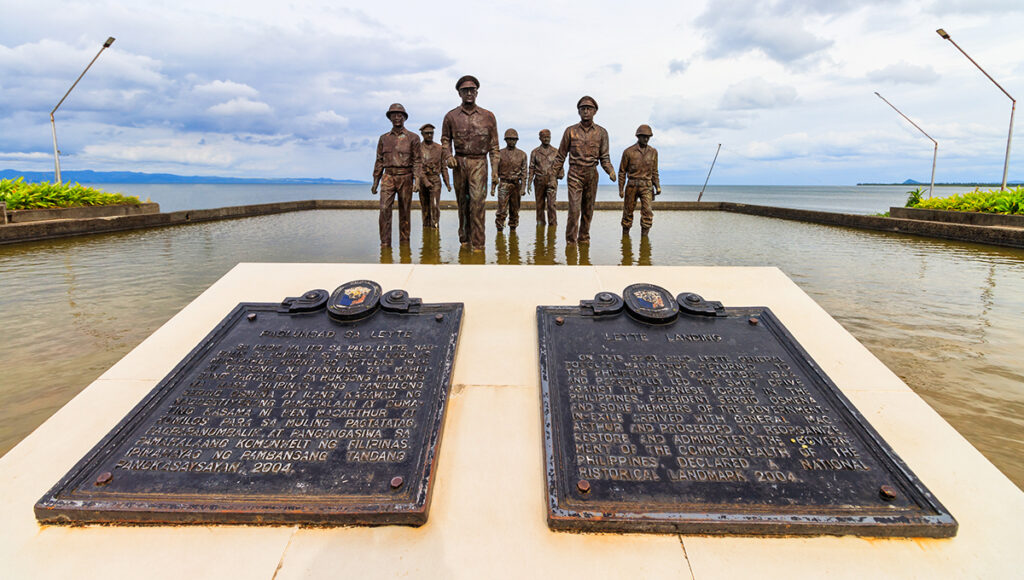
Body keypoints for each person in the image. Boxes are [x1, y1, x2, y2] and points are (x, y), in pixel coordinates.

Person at [441, 75, 499, 251]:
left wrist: (495, 171)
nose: (469, 93)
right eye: (465, 90)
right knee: (463, 203)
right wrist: (448, 156)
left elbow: (495, 147)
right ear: (459, 93)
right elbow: (445, 140)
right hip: (459, 163)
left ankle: (479, 245)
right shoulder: (451, 116)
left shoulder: (488, 116)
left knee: (477, 202)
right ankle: (464, 241)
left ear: (477, 92)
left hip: (479, 162)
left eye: (472, 90)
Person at [552, 96, 615, 245]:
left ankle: (584, 239)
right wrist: (553, 174)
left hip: (592, 174)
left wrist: (610, 171)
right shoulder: (570, 131)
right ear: (579, 111)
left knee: (588, 210)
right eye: (583, 108)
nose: (586, 111)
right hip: (575, 173)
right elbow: (560, 155)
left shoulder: (602, 133)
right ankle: (571, 242)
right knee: (574, 210)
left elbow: (604, 158)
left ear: (595, 111)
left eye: (589, 108)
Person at [371, 103, 422, 247]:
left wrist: (416, 180)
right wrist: (375, 181)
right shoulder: (383, 138)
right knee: (384, 209)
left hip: (405, 177)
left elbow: (417, 161)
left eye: (400, 115)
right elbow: (379, 160)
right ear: (390, 118)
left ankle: (404, 243)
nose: (397, 117)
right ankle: (385, 243)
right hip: (388, 177)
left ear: (404, 118)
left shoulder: (413, 138)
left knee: (405, 211)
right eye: (393, 115)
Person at [618, 124, 661, 236]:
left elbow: (655, 171)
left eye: (648, 137)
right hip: (632, 185)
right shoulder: (628, 152)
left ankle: (644, 240)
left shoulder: (653, 152)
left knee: (647, 212)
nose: (646, 139)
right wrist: (621, 189)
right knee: (627, 212)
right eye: (643, 136)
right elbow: (622, 172)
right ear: (638, 136)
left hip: (646, 186)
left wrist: (657, 185)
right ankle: (625, 238)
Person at [417, 123, 451, 228]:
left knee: (435, 205)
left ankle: (435, 228)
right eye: (427, 133)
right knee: (425, 207)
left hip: (435, 179)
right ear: (422, 134)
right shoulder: (418, 148)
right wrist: (425, 181)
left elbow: (444, 167)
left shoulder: (439, 148)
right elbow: (417, 167)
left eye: (431, 133)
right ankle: (426, 230)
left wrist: (447, 183)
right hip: (423, 180)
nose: (429, 135)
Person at [528, 129, 563, 226]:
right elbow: (531, 167)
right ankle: (540, 228)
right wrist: (529, 182)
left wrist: (561, 173)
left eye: (548, 137)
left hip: (551, 181)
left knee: (551, 205)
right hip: (539, 181)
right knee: (539, 206)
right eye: (544, 137)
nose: (547, 139)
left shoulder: (556, 152)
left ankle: (553, 228)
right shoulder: (535, 152)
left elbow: (560, 164)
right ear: (540, 138)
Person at [495, 128, 528, 231]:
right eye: (509, 139)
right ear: (505, 140)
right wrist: (493, 187)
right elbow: (495, 171)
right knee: (501, 210)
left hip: (516, 185)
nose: (512, 141)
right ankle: (499, 231)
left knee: (515, 210)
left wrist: (523, 188)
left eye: (514, 139)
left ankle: (513, 231)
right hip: (504, 184)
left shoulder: (522, 154)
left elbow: (524, 173)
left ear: (517, 140)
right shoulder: (499, 153)